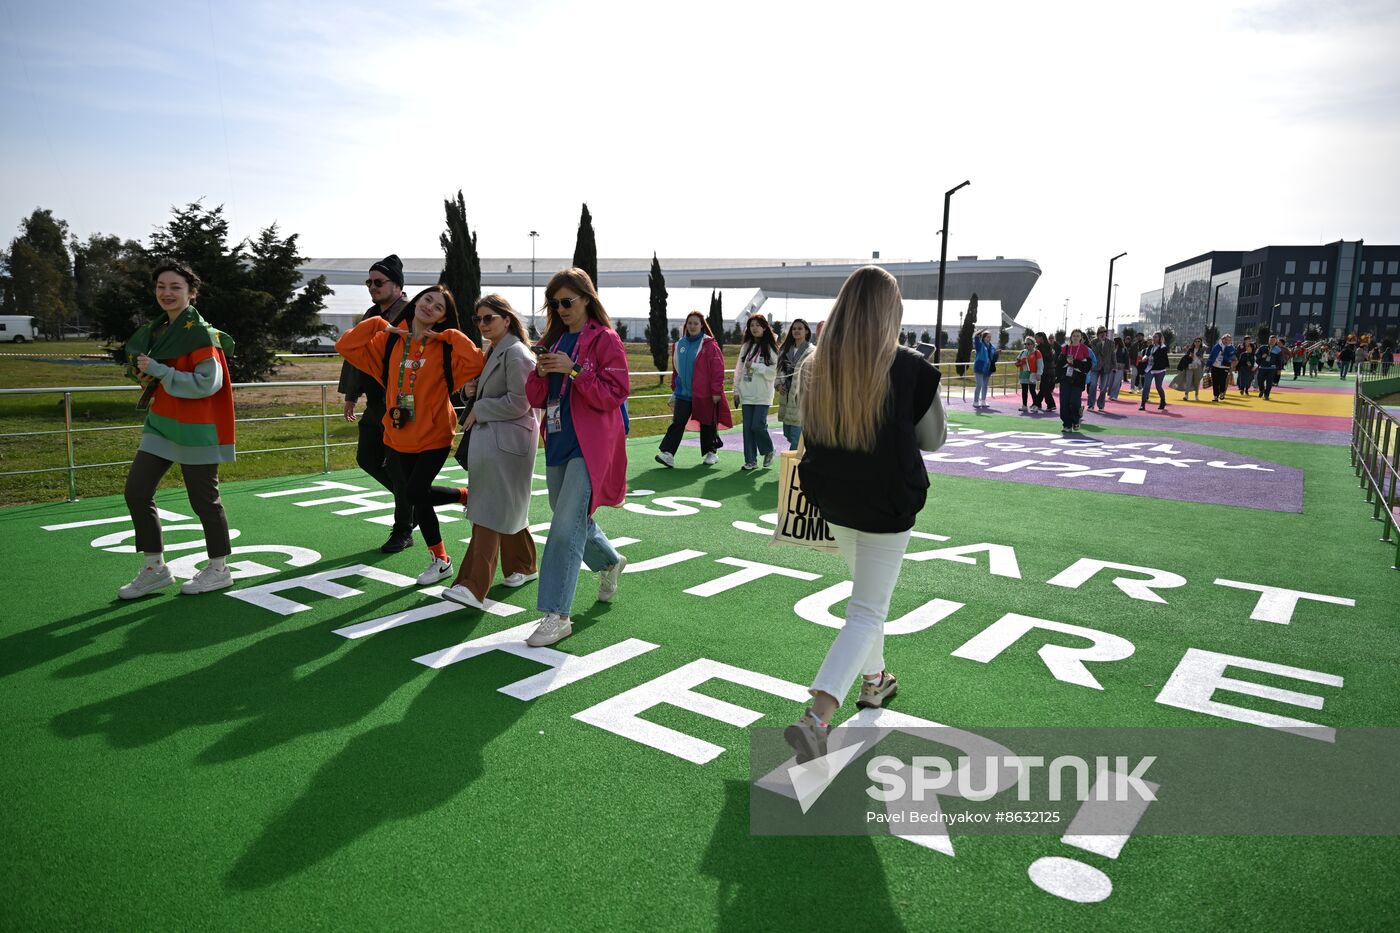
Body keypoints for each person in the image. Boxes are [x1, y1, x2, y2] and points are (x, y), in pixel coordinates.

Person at [783, 266, 940, 761]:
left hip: (833, 497)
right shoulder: (908, 366)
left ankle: (875, 680)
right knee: (867, 609)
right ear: (889, 313)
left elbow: (805, 426)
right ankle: (816, 717)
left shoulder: (816, 364)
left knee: (867, 603)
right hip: (887, 501)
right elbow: (932, 439)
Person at [336, 284, 485, 586]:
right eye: (426, 299)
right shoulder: (387, 342)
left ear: (442, 318)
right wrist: (380, 324)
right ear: (416, 301)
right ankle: (441, 558)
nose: (429, 307)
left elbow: (476, 362)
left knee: (416, 492)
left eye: (439, 307)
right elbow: (346, 346)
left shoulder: (445, 347)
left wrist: (450, 335)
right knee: (417, 498)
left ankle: (462, 502)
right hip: (397, 433)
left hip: (435, 434)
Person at [522, 268, 630, 648]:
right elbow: (536, 396)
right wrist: (539, 369)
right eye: (555, 304)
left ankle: (557, 614)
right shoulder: (552, 339)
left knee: (565, 526)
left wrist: (576, 370)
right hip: (557, 439)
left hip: (591, 445)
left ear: (586, 298)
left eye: (567, 301)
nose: (561, 309)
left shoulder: (606, 340)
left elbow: (614, 394)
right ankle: (609, 561)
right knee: (567, 514)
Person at [117, 260, 237, 599]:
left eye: (175, 287)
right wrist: (149, 375)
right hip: (161, 425)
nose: (166, 293)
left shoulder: (199, 334)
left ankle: (219, 569)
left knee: (205, 502)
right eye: (161, 287)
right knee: (137, 492)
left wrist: (160, 371)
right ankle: (155, 569)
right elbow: (165, 375)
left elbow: (207, 383)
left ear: (192, 294)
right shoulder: (158, 332)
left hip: (197, 430)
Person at [440, 295, 540, 609]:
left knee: (488, 509)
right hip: (499, 443)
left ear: (506, 319)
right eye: (478, 319)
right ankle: (522, 566)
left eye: (489, 318)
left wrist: (480, 406)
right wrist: (472, 389)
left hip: (507, 445)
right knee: (505, 506)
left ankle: (472, 586)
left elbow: (521, 402)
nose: (482, 325)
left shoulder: (516, 352)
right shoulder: (497, 349)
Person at [339, 255, 416, 553]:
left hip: (403, 399)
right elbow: (354, 354)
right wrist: (350, 394)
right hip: (376, 401)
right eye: (369, 282)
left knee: (398, 466)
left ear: (397, 285)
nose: (372, 286)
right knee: (367, 458)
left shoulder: (411, 314)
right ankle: (413, 505)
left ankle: (403, 529)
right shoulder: (372, 315)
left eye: (379, 282)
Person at [656, 311, 731, 467]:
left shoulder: (710, 345)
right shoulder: (679, 345)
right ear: (686, 325)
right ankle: (668, 454)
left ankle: (711, 452)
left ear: (702, 325)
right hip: (683, 394)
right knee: (678, 422)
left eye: (696, 323)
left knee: (707, 423)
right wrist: (674, 387)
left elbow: (718, 369)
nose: (692, 326)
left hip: (705, 394)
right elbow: (676, 369)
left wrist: (716, 391)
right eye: (690, 323)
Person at [734, 313, 778, 470]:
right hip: (747, 393)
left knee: (757, 425)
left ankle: (768, 450)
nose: (754, 328)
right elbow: (739, 370)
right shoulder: (746, 346)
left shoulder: (771, 348)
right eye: (751, 325)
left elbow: (773, 372)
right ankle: (750, 460)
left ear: (765, 328)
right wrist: (736, 391)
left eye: (758, 325)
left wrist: (755, 367)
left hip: (762, 395)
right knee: (747, 428)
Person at [774, 318, 815, 448]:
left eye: (800, 328)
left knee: (796, 436)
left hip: (801, 397)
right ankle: (801, 454)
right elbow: (779, 370)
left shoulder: (812, 351)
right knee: (788, 433)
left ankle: (795, 463)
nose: (796, 331)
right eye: (794, 328)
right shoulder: (785, 350)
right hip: (786, 395)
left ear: (806, 331)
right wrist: (779, 385)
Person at [1056, 328, 1092, 431]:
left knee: (1074, 401)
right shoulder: (1065, 348)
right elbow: (1059, 364)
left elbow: (1087, 366)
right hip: (1066, 378)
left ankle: (1076, 420)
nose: (1076, 337)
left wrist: (1074, 362)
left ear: (1081, 338)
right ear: (1071, 337)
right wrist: (1067, 362)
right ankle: (1067, 424)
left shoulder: (1085, 349)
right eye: (1074, 335)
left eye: (1078, 336)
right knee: (1064, 401)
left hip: (1078, 378)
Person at [1138, 332, 1169, 411]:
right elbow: (1147, 354)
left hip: (1159, 369)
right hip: (1149, 369)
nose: (1154, 339)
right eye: (1153, 337)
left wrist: (1151, 357)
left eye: (1156, 337)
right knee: (1146, 386)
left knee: (1158, 387)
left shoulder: (1163, 347)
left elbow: (1160, 357)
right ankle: (1143, 404)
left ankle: (1163, 401)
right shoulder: (1151, 347)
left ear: (1159, 338)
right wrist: (1145, 357)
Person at [1089, 327, 1115, 412]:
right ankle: (1091, 405)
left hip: (1106, 367)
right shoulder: (1093, 342)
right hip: (1095, 367)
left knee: (1103, 387)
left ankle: (1101, 405)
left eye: (1105, 332)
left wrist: (1114, 365)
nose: (1103, 333)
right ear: (1098, 333)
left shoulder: (1111, 343)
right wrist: (1099, 342)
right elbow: (1094, 353)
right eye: (1101, 332)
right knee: (1093, 386)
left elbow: (1112, 355)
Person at [1014, 335, 1042, 412]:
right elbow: (1017, 362)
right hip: (1023, 373)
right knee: (1024, 390)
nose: (1027, 345)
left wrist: (1039, 374)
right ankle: (1024, 405)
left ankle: (1036, 405)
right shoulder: (1022, 352)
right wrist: (1018, 363)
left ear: (1033, 344)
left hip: (1032, 374)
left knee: (1032, 390)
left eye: (1029, 344)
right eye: (1026, 344)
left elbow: (1040, 364)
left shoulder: (1037, 353)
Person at [1206, 333, 1237, 402]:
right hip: (1215, 366)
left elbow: (1233, 357)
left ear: (1230, 341)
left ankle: (1222, 392)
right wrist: (1208, 365)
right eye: (1225, 339)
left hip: (1224, 366)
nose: (1226, 341)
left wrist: (1227, 351)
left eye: (1229, 340)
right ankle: (1215, 396)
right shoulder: (1217, 346)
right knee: (1215, 382)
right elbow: (1211, 355)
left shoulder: (1232, 348)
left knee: (1222, 381)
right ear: (1222, 339)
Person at [972, 330, 998, 407]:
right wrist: (978, 334)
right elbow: (976, 338)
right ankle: (975, 401)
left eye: (990, 337)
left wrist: (997, 354)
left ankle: (983, 400)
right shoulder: (980, 345)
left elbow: (993, 358)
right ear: (983, 337)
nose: (989, 338)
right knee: (979, 384)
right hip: (979, 367)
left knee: (985, 385)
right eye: (987, 337)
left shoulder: (992, 347)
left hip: (988, 368)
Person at [1035, 331, 1057, 411]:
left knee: (1045, 388)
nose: (1035, 339)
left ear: (1041, 338)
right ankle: (1037, 403)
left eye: (1036, 337)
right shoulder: (1049, 347)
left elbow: (1041, 359)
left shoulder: (1040, 348)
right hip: (1051, 370)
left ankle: (1051, 404)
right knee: (1043, 387)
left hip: (1045, 370)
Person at [1110, 335, 1128, 400]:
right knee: (1110, 381)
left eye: (1115, 341)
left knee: (1116, 382)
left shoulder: (1124, 349)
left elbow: (1126, 358)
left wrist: (1126, 368)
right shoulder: (1111, 348)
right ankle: (1111, 394)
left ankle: (1114, 395)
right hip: (1111, 367)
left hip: (1120, 367)